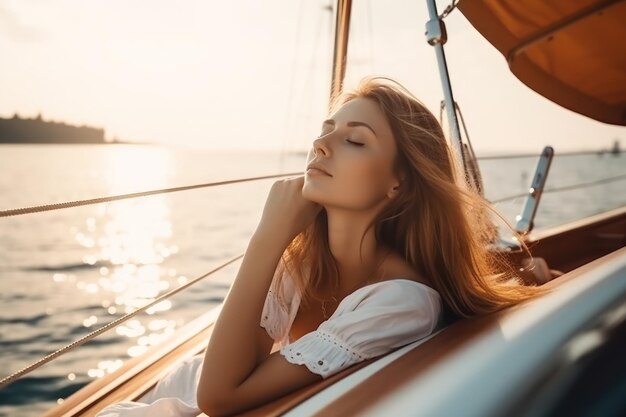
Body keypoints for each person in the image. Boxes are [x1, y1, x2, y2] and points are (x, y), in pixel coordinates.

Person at [96, 77, 547, 417]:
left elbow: (219, 397)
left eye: (353, 140)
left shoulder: (403, 301)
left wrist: (268, 235)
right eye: (326, 130)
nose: (320, 144)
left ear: (399, 182)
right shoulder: (305, 265)